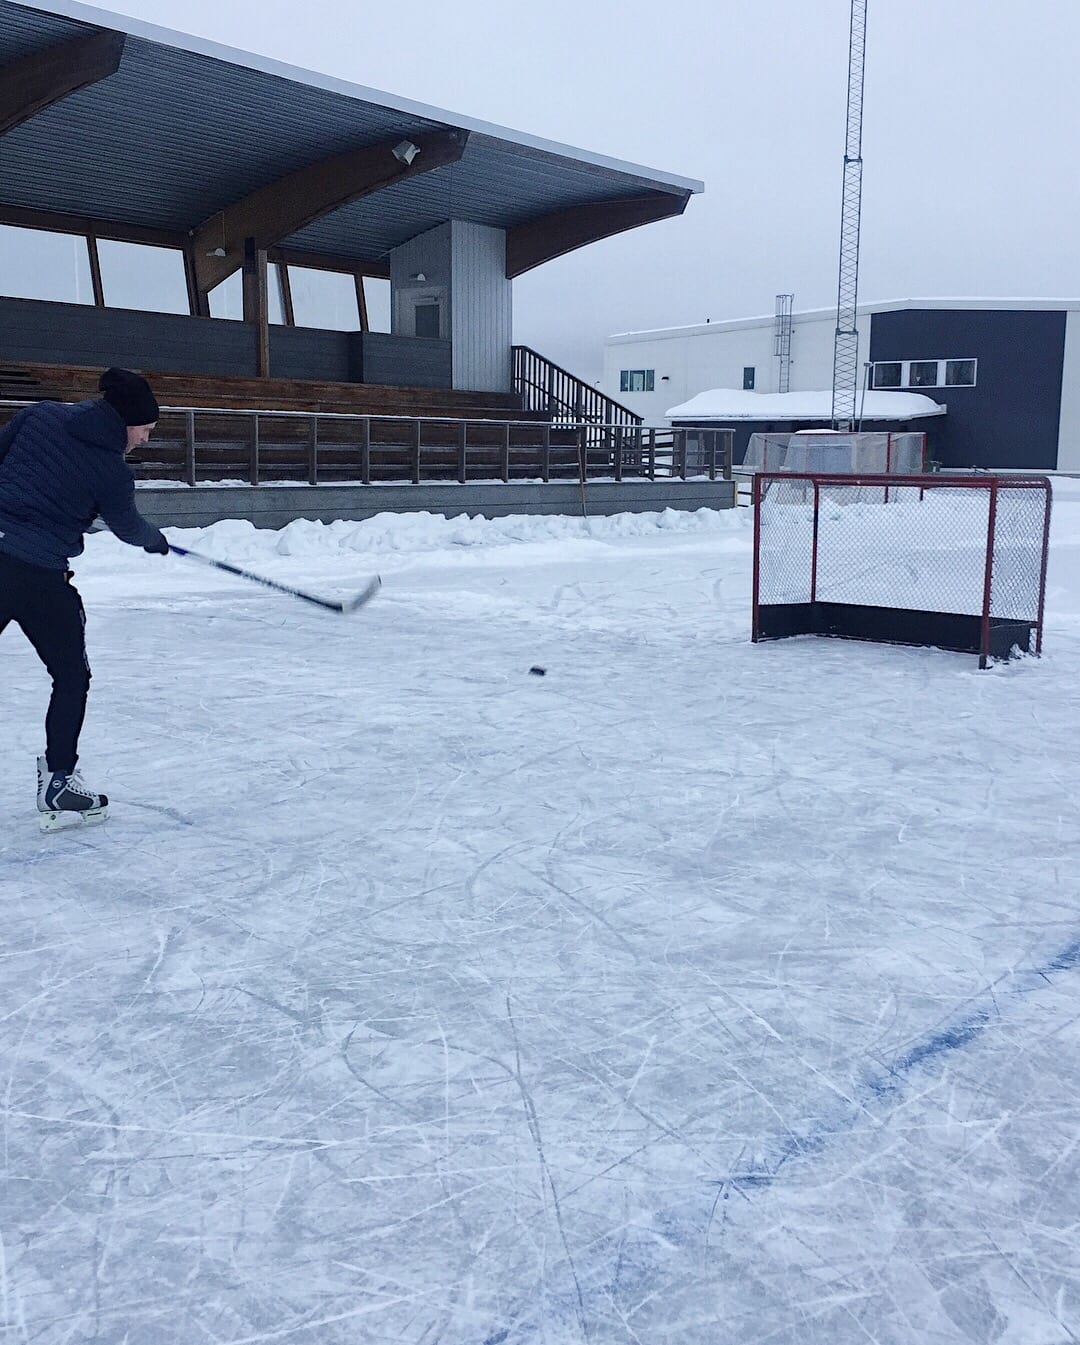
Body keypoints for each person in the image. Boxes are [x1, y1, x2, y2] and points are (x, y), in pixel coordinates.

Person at [0, 367, 170, 831]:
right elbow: (128, 526)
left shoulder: (39, 415)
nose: (145, 439)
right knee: (72, 676)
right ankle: (58, 780)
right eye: (145, 429)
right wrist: (154, 539)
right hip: (39, 577)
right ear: (125, 422)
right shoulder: (112, 471)